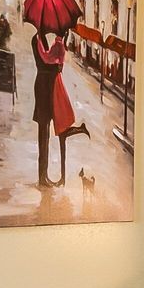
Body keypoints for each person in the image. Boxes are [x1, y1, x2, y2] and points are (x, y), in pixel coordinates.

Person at [30, 27, 89, 186]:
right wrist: (57, 64)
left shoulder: (41, 41)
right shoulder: (38, 40)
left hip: (46, 88)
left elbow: (49, 61)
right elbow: (46, 62)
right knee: (43, 133)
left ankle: (44, 175)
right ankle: (42, 177)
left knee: (45, 133)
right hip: (44, 89)